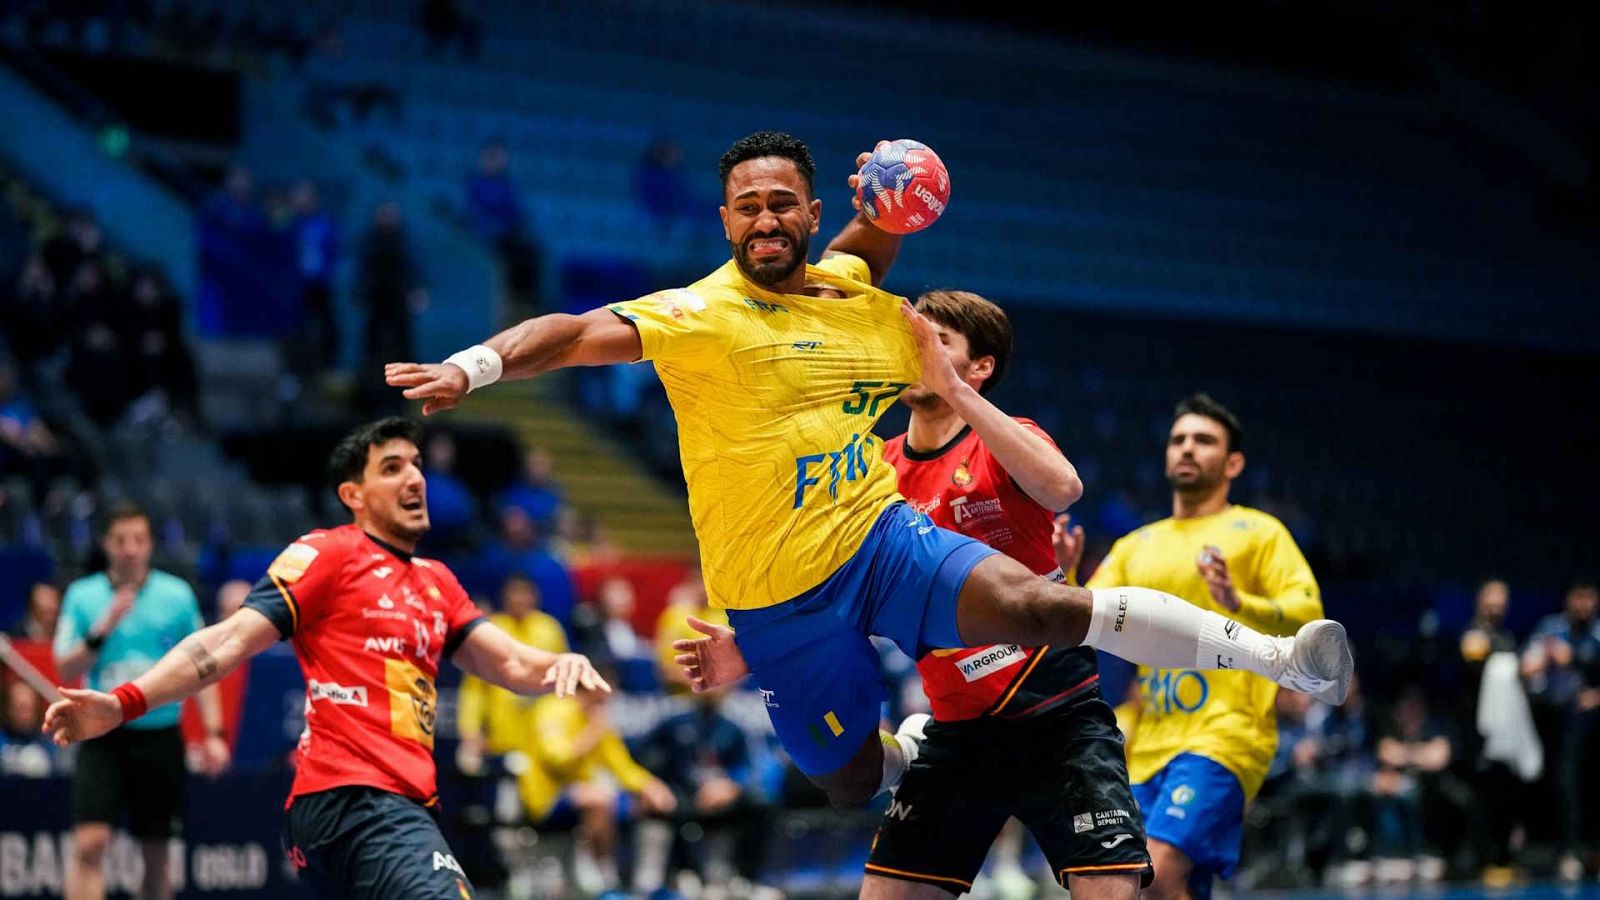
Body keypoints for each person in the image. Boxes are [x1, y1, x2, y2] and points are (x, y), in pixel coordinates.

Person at [386, 130, 1353, 813]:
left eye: (782, 204)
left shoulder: (853, 291)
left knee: (1043, 605)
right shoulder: (697, 316)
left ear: (811, 211)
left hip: (879, 539)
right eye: (747, 206)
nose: (765, 219)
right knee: (846, 782)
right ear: (724, 219)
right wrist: (478, 365)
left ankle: (1283, 660)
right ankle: (907, 757)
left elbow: (873, 242)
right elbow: (572, 333)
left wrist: (890, 188)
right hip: (776, 600)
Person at [671, 289, 1152, 899]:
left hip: (1055, 713)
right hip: (958, 730)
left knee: (1111, 890)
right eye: (911, 344)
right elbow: (837, 587)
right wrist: (756, 649)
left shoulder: (1007, 439)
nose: (913, 356)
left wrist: (955, 392)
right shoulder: (874, 468)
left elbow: (1064, 488)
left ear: (979, 367)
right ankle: (903, 756)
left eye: (936, 345)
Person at [43, 418, 610, 899]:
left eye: (415, 464)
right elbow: (224, 642)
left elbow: (509, 662)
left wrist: (557, 665)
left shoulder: (438, 583)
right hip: (360, 800)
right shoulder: (329, 555)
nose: (414, 476)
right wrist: (122, 704)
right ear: (353, 496)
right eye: (391, 467)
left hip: (381, 810)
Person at [1049, 393, 1325, 900]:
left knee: (1156, 873)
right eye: (1178, 440)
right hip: (1145, 744)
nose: (1187, 449)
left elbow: (1307, 615)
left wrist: (1239, 601)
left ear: (1233, 462)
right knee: (1159, 886)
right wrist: (1062, 572)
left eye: (1204, 440)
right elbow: (1083, 619)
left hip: (1226, 735)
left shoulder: (1260, 533)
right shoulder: (1136, 545)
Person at [52, 502, 230, 900]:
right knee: (89, 844)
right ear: (106, 544)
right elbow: (65, 668)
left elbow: (204, 669)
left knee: (157, 855)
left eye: (139, 539)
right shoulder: (83, 596)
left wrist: (215, 733)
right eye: (121, 540)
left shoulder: (177, 595)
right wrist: (103, 628)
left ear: (150, 544)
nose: (130, 549)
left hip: (161, 735)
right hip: (102, 736)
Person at [518, 673, 676, 895]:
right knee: (598, 798)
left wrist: (651, 786)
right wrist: (591, 733)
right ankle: (602, 874)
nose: (608, 701)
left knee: (650, 802)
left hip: (583, 793)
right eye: (604, 694)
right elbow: (556, 760)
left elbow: (621, 765)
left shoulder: (597, 717)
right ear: (591, 687)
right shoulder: (552, 709)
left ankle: (647, 881)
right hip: (545, 797)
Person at [1522, 580, 1600, 882]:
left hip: (1593, 725)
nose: (1583, 604)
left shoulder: (1597, 632)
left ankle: (1593, 851)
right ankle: (1565, 852)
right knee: (1563, 786)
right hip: (1556, 721)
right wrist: (1537, 663)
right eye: (1578, 597)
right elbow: (1526, 667)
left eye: (1589, 598)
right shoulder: (1550, 629)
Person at [456, 572, 569, 773]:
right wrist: (470, 729)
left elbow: (564, 682)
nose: (520, 599)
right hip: (500, 737)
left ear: (535, 597)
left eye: (526, 593)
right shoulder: (490, 629)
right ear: (505, 596)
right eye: (515, 593)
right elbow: (474, 687)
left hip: (543, 736)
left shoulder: (550, 629)